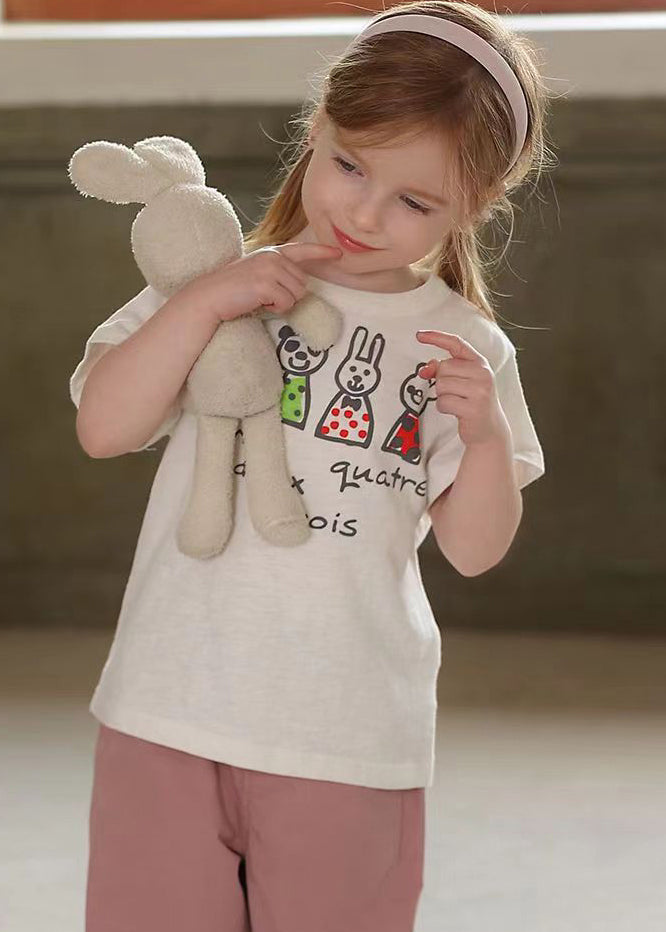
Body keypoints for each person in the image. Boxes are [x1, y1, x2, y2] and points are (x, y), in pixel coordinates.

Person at [70, 3, 552, 931]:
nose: (365, 213)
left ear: (476, 205)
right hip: (167, 706)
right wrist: (204, 304)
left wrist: (488, 440)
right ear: (317, 127)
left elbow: (476, 549)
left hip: (349, 736)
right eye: (350, 165)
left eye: (415, 202)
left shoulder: (464, 346)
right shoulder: (211, 280)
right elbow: (104, 427)